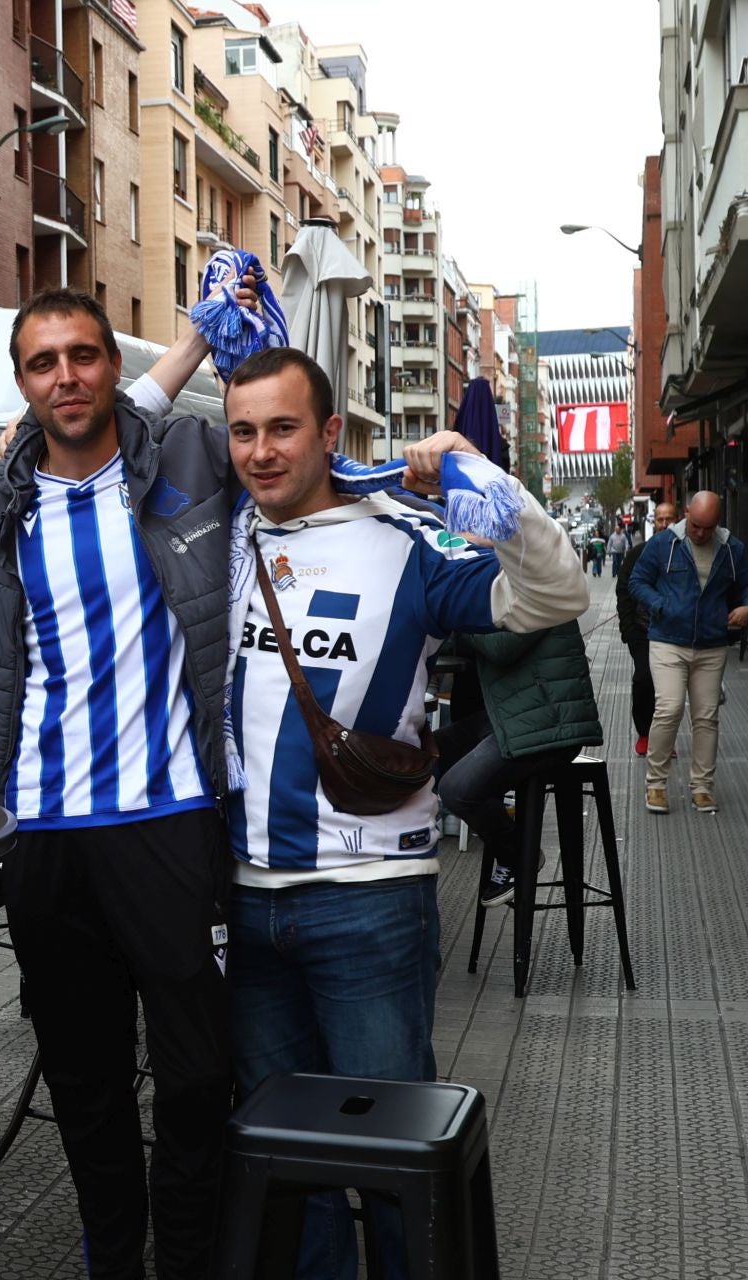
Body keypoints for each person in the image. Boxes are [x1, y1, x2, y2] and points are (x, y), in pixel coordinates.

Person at [217, 347, 585, 1276]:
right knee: (289, 1167)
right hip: (243, 899)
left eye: (284, 428)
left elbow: (555, 592)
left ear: (331, 433)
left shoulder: (406, 537)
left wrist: (482, 476)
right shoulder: (222, 538)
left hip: (369, 897)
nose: (262, 452)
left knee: (388, 1158)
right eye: (244, 431)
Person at [0, 290, 245, 1280]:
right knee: (85, 1079)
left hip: (169, 815)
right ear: (23, 382)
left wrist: (222, 326)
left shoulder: (192, 460)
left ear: (113, 366)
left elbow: (280, 430)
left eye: (83, 355)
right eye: (43, 362)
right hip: (42, 828)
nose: (65, 375)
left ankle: (189, 1256)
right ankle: (115, 1260)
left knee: (201, 1070)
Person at [437, 622, 604, 907]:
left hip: (549, 723)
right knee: (418, 757)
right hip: (506, 717)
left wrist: (454, 611)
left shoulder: (541, 580)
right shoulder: (504, 582)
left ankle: (517, 856)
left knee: (457, 789)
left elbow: (500, 645)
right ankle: (401, 861)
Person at [627, 490, 748, 814]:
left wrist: (745, 607)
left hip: (711, 643)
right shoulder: (664, 544)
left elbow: (745, 585)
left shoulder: (732, 549)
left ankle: (702, 787)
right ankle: (655, 784)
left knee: (706, 716)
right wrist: (658, 604)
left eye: (708, 528)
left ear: (717, 523)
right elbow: (637, 581)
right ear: (686, 514)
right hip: (667, 639)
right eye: (695, 525)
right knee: (668, 709)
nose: (700, 533)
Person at [615, 502, 675, 755]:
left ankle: (664, 739)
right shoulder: (638, 553)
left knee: (669, 689)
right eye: (660, 519)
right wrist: (628, 629)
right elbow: (623, 591)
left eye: (668, 519)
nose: (664, 524)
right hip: (642, 631)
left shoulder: (684, 553)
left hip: (674, 632)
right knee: (644, 679)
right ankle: (645, 732)